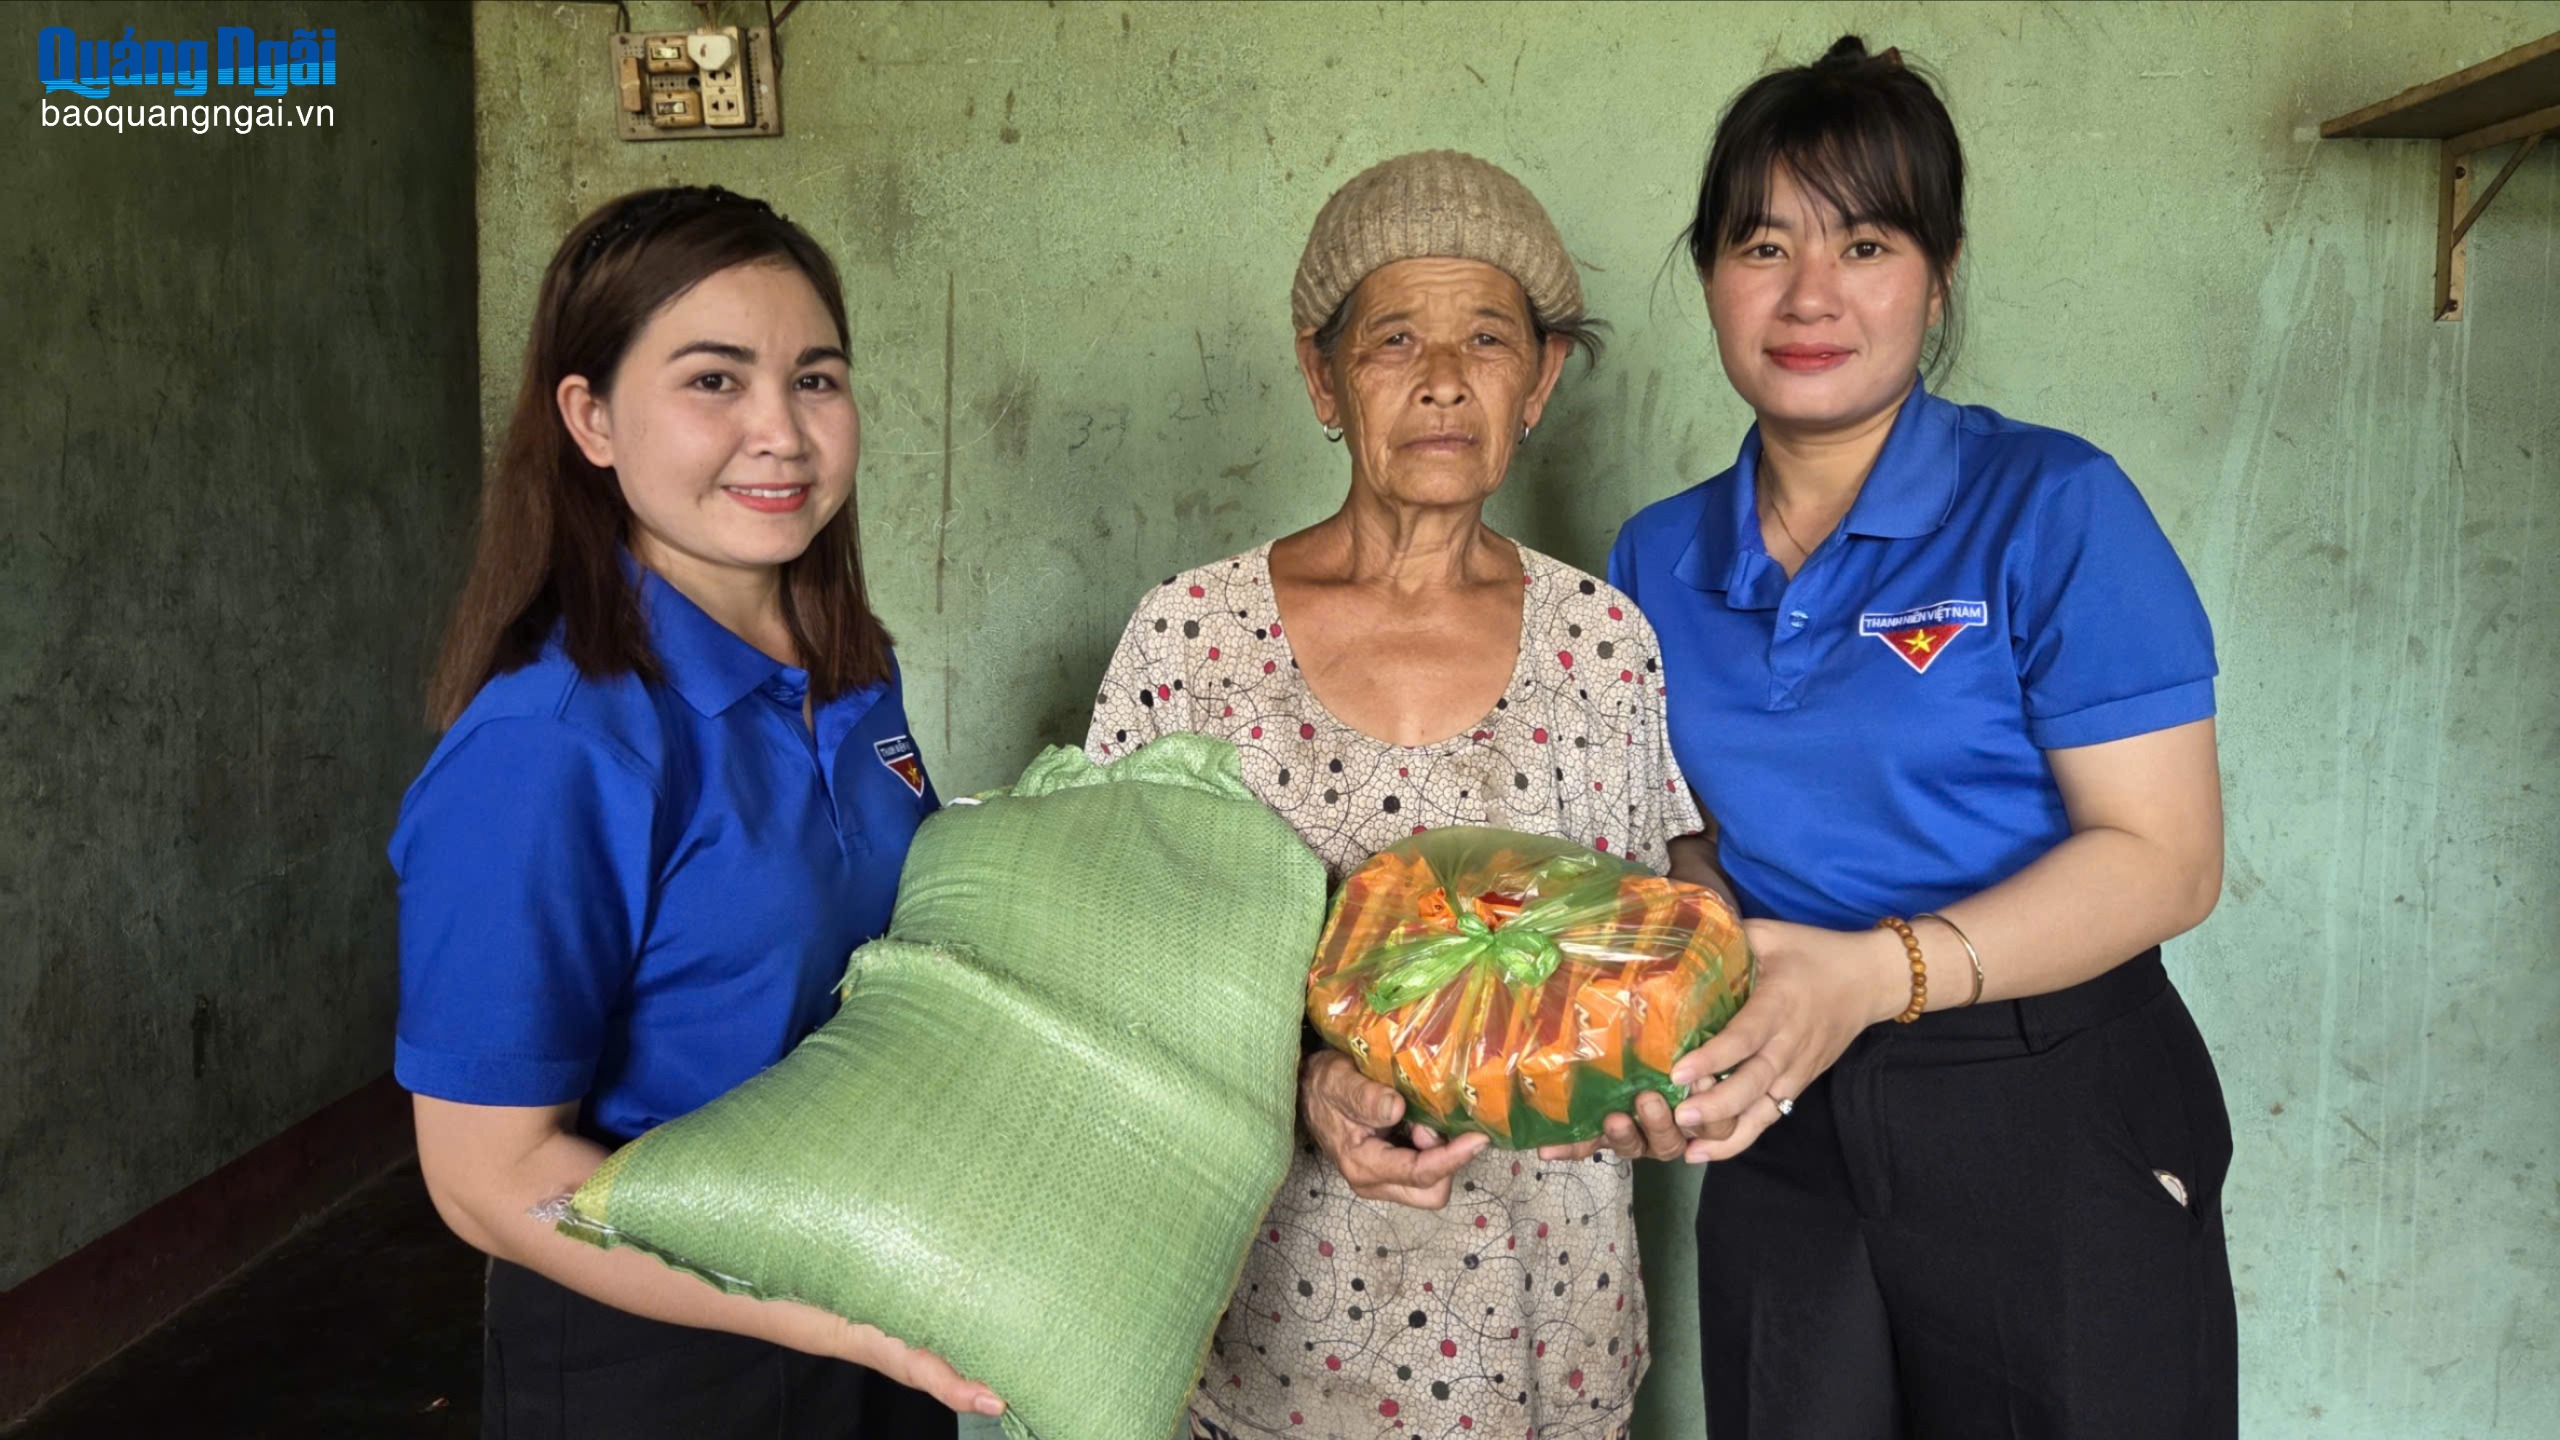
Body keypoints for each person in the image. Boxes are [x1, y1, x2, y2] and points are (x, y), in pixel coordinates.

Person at [1608, 38, 2238, 1438]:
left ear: (1938, 273)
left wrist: (1873, 974)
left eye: (1867, 242)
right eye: (1762, 244)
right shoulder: (1656, 559)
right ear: (1708, 271)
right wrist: (1676, 1021)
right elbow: (1691, 842)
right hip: (1792, 1113)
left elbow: (2165, 860)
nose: (1810, 295)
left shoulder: (2053, 507)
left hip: (2051, 1099)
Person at [1087, 150, 1714, 1440]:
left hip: (1552, 1321)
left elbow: (1660, 924)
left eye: (1487, 337)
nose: (1442, 378)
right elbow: (1107, 971)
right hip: (1273, 1333)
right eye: (1392, 341)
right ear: (1323, 378)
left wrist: (1688, 1057)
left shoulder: (1604, 641)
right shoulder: (1193, 637)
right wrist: (1308, 1082)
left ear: (1537, 382)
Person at [390, 185, 1000, 1439]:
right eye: (714, 381)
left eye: (816, 380)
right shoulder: (551, 749)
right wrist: (819, 1304)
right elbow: (488, 1179)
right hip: (663, 1350)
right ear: (591, 418)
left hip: (872, 1292)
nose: (780, 432)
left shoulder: (845, 663)